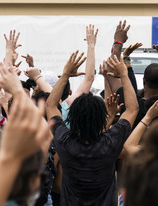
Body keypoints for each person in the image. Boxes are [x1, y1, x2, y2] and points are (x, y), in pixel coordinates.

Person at [47, 51, 138, 206]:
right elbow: (132, 109)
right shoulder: (110, 143)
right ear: (101, 119)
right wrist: (124, 74)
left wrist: (65, 75)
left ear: (72, 117)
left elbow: (50, 106)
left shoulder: (64, 141)